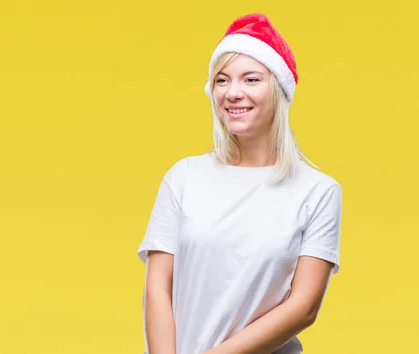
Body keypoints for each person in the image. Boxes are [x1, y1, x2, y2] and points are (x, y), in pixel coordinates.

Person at [136, 13, 343, 354]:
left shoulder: (318, 192)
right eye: (221, 80)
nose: (233, 93)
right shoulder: (184, 176)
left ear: (278, 89)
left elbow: (303, 307)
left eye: (250, 79)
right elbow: (158, 286)